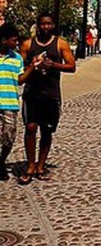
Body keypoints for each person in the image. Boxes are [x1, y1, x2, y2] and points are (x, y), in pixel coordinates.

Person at [19, 12, 77, 184]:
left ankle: (41, 165)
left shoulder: (60, 43)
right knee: (30, 128)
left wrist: (54, 65)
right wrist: (32, 65)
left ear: (53, 25)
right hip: (32, 93)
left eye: (49, 24)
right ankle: (30, 165)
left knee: (47, 130)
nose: (45, 27)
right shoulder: (28, 44)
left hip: (51, 93)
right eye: (43, 24)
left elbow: (72, 66)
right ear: (38, 25)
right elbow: (19, 68)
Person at [0, 23, 37, 181]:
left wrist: (32, 67)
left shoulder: (16, 59)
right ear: (3, 40)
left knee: (9, 137)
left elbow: (20, 80)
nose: (16, 43)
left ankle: (0, 161)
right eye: (13, 40)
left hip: (9, 103)